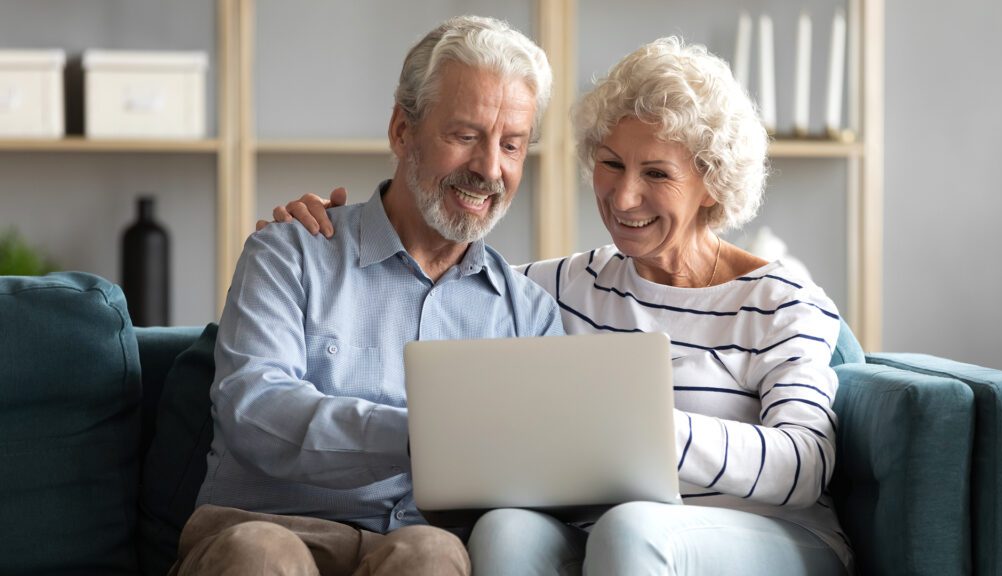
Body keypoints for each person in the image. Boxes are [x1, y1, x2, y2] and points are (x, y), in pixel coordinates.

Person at [267, 35, 853, 576]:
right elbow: (429, 281)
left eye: (656, 173)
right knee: (504, 531)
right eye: (611, 163)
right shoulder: (559, 288)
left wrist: (650, 433)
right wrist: (334, 234)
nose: (624, 197)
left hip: (771, 535)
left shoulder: (781, 302)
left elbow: (801, 466)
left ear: (714, 183)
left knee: (632, 527)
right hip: (604, 532)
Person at [174, 15, 563, 576]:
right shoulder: (291, 252)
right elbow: (254, 409)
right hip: (270, 525)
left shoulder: (527, 313)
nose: (489, 168)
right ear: (402, 131)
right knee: (263, 554)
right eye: (465, 136)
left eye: (512, 144)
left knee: (434, 554)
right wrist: (424, 434)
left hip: (414, 545)